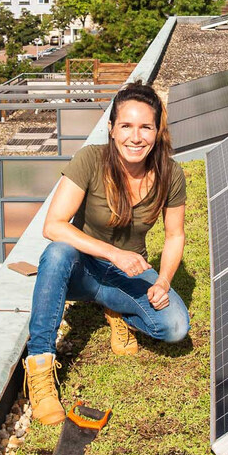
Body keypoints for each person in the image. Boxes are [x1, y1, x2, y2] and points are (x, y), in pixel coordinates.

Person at [23, 80, 190, 425]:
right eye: (126, 126)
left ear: (158, 131)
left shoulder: (171, 174)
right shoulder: (90, 160)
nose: (136, 136)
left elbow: (175, 235)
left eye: (146, 127)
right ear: (112, 129)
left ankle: (116, 310)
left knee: (174, 328)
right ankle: (40, 368)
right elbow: (53, 225)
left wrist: (163, 281)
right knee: (57, 253)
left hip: (126, 275)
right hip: (80, 270)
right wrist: (113, 253)